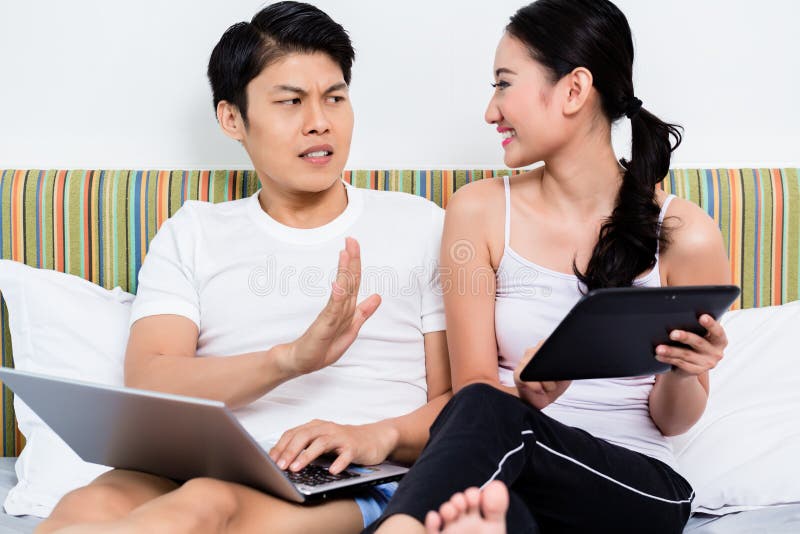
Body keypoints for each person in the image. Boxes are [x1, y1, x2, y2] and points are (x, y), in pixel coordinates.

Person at [36, 2, 451, 533]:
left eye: (335, 98)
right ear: (232, 118)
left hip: (354, 473)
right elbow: (150, 380)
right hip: (196, 466)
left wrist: (376, 433)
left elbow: (459, 401)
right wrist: (290, 360)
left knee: (209, 506)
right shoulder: (194, 231)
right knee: (83, 509)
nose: (319, 122)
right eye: (291, 102)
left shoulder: (420, 225)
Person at [371, 1, 730, 533]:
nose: (491, 112)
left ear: (573, 90)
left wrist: (685, 368)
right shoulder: (477, 211)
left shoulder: (686, 232)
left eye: (503, 83)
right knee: (491, 513)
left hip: (638, 488)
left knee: (490, 425)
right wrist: (529, 396)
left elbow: (672, 420)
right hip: (516, 475)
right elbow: (472, 391)